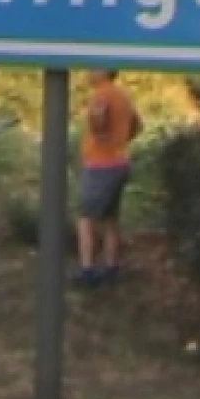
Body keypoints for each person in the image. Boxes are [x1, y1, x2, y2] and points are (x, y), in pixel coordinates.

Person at [76, 68, 142, 286]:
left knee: (86, 218)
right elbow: (137, 124)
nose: (87, 73)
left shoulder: (102, 94)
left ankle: (87, 269)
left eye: (91, 69)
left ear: (102, 71)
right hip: (120, 162)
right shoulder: (122, 95)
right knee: (110, 219)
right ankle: (112, 267)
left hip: (101, 164)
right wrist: (120, 141)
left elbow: (98, 116)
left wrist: (101, 136)